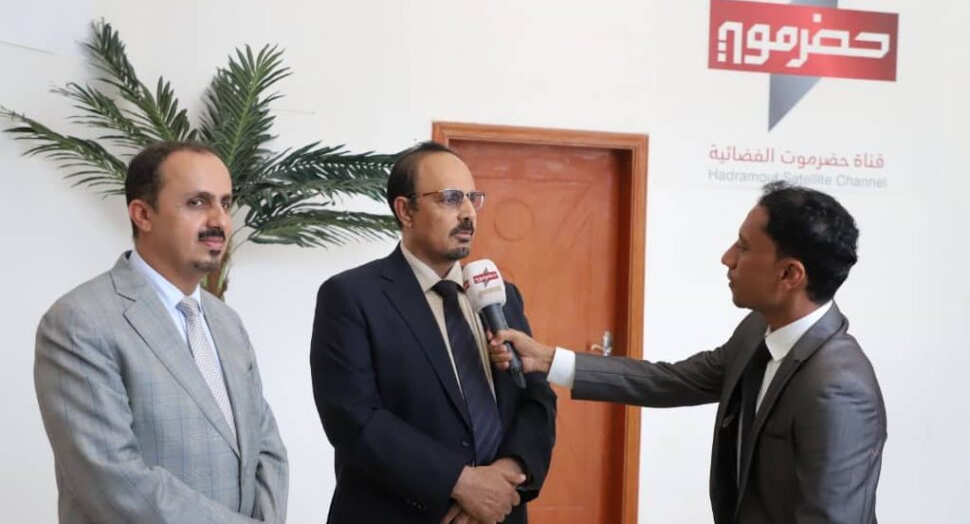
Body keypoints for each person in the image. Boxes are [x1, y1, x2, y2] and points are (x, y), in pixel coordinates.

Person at [492, 181, 886, 524]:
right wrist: (547, 360)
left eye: (744, 247)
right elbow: (672, 381)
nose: (727, 258)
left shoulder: (838, 388)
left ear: (790, 274)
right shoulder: (756, 331)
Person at [34, 142, 289, 523]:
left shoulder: (227, 322)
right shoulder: (79, 321)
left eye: (225, 203)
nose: (219, 220)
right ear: (143, 214)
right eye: (197, 202)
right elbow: (114, 482)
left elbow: (266, 449)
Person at [311, 141, 556, 524]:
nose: (468, 212)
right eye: (451, 198)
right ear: (405, 210)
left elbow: (537, 398)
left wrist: (506, 475)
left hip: (500, 511)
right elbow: (353, 418)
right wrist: (462, 484)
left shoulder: (502, 296)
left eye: (473, 198)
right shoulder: (351, 296)